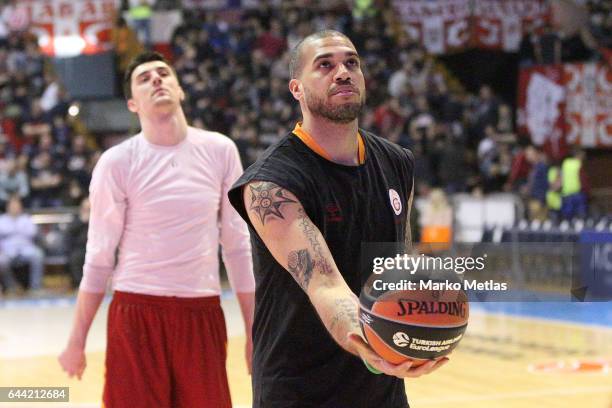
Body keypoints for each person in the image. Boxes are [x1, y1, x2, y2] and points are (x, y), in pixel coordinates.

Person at [228, 30, 448, 408]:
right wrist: (373, 348)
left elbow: (399, 267)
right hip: (298, 389)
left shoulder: (398, 162)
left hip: (382, 390)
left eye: (351, 63)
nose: (343, 72)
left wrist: (419, 326)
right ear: (296, 89)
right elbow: (324, 282)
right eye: (325, 65)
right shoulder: (270, 183)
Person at [58, 51, 255, 408]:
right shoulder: (116, 162)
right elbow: (99, 258)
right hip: (136, 313)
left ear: (180, 90)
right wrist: (76, 341)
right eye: (144, 79)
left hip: (202, 311)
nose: (156, 80)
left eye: (163, 73)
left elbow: (238, 247)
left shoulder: (220, 150)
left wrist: (255, 333)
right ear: (133, 104)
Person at [0, 195, 45, 292]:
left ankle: (35, 287)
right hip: (7, 250)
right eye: (12, 206)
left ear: (20, 207)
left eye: (17, 206)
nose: (15, 208)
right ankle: (11, 286)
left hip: (26, 249)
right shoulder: (2, 219)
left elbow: (32, 233)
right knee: (1, 261)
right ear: (8, 207)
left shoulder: (26, 218)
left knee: (38, 255)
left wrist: (11, 231)